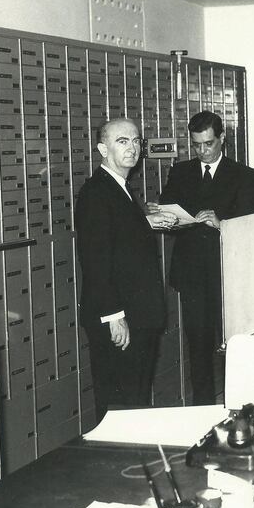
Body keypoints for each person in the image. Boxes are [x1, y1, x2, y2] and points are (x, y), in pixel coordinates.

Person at [75, 118, 176, 420]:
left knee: (134, 400)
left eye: (135, 141)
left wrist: (144, 221)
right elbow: (96, 261)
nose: (132, 148)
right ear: (102, 149)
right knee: (120, 405)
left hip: (137, 314)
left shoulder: (120, 188)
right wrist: (114, 316)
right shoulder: (96, 193)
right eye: (122, 141)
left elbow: (117, 235)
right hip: (119, 318)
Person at [155, 111, 254, 405]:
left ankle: (234, 406)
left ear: (222, 139)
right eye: (197, 145)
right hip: (192, 274)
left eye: (208, 144)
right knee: (197, 347)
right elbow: (169, 211)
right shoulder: (180, 172)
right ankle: (202, 409)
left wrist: (221, 222)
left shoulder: (243, 175)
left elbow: (252, 228)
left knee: (230, 347)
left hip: (227, 275)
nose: (202, 151)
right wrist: (162, 215)